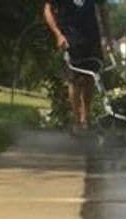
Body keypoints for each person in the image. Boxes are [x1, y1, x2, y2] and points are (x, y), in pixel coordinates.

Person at [43, 0, 113, 131]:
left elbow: (103, 11)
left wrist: (108, 38)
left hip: (92, 38)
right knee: (74, 79)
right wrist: (58, 35)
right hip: (70, 37)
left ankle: (86, 118)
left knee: (90, 78)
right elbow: (47, 10)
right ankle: (77, 120)